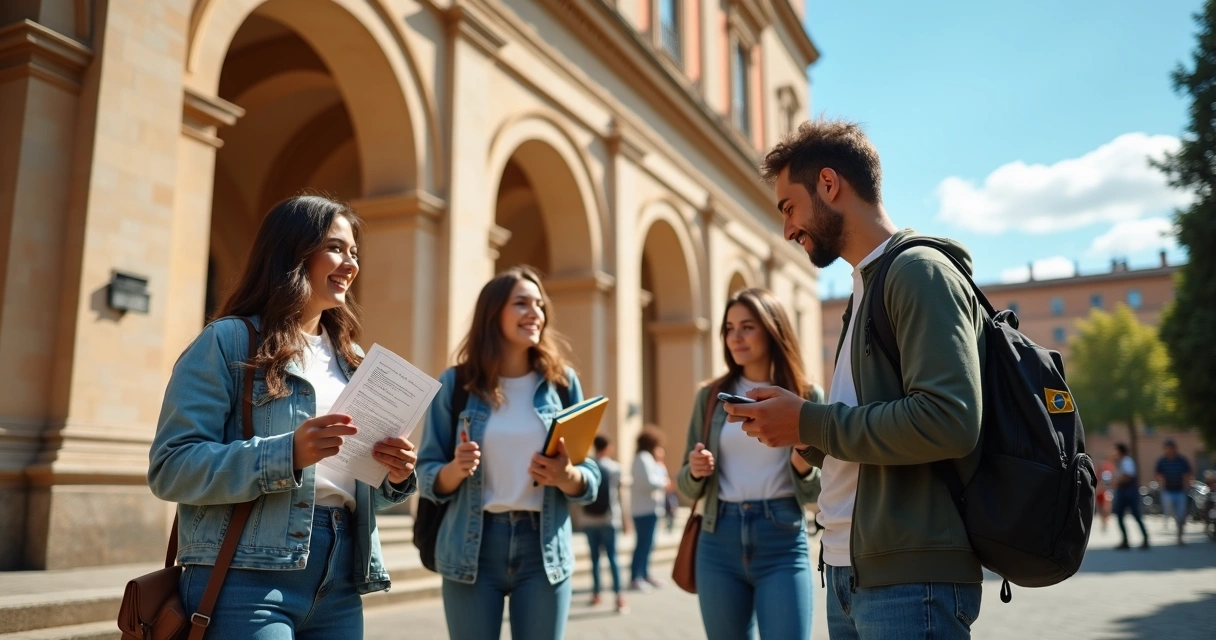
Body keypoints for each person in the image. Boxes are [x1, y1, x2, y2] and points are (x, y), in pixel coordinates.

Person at [723, 120, 987, 638]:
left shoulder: (918, 272)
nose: (787, 230)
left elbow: (949, 420)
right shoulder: (862, 290)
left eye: (788, 207)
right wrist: (800, 434)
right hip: (849, 569)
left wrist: (810, 423)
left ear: (828, 184)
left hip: (910, 584)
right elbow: (865, 429)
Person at [148, 195, 418, 638]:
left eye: (354, 252)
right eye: (335, 248)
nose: (350, 264)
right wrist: (287, 453)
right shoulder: (228, 342)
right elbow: (171, 467)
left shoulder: (354, 360)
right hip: (245, 576)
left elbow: (349, 486)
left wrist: (392, 474)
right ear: (292, 251)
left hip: (341, 579)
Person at [416, 265, 601, 640]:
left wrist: (566, 476)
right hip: (472, 548)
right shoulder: (454, 384)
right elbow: (426, 473)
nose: (535, 313)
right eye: (521, 303)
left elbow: (590, 478)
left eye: (539, 305)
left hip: (543, 549)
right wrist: (456, 468)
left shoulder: (562, 384)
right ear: (493, 312)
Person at [678, 287, 823, 640]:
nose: (735, 337)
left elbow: (819, 490)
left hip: (783, 538)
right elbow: (683, 484)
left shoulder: (806, 397)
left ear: (772, 329)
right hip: (717, 539)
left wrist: (802, 462)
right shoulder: (710, 396)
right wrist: (696, 470)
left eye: (747, 326)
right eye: (729, 328)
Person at [581, 435, 629, 613]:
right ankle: (619, 597)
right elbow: (620, 495)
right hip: (610, 519)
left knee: (594, 559)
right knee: (613, 558)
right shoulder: (615, 468)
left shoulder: (586, 465)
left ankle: (596, 593)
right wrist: (626, 520)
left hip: (588, 520)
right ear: (608, 447)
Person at [630, 428, 669, 591]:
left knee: (648, 544)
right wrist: (664, 482)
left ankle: (645, 573)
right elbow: (649, 483)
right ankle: (636, 577)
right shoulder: (643, 458)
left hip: (649, 509)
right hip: (644, 510)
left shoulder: (647, 459)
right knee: (643, 544)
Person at [1111, 443, 1150, 550]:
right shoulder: (1121, 462)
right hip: (1125, 492)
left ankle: (1144, 538)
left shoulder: (1126, 461)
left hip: (1128, 492)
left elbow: (1127, 476)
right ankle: (1125, 540)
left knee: (1136, 516)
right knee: (1120, 517)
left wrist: (1117, 481)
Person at [1155, 439, 1192, 545]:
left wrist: (1187, 483)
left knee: (1181, 514)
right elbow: (1157, 474)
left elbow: (1188, 473)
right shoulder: (1162, 461)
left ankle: (1179, 536)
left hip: (1180, 490)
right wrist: (1161, 481)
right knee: (1170, 511)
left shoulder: (1182, 460)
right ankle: (1172, 520)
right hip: (1167, 491)